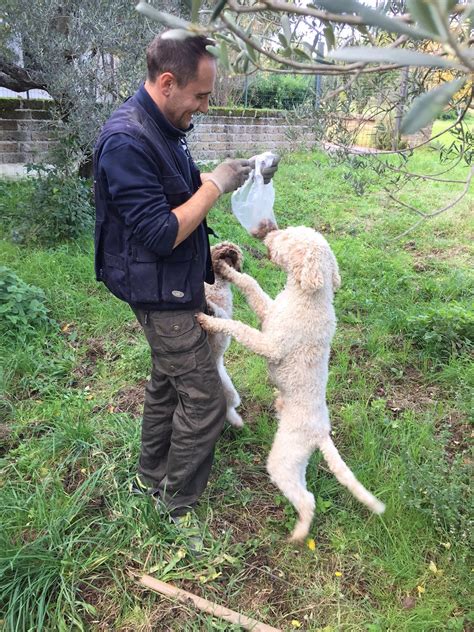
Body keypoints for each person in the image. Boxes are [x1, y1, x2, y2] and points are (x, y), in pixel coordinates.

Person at [93, 32, 279, 541]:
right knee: (204, 398)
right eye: (199, 95)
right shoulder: (127, 140)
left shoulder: (161, 126)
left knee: (166, 383)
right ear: (168, 82)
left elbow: (170, 189)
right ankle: (177, 508)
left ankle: (149, 476)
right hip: (158, 291)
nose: (203, 104)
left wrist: (231, 175)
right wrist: (214, 185)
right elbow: (158, 232)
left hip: (174, 281)